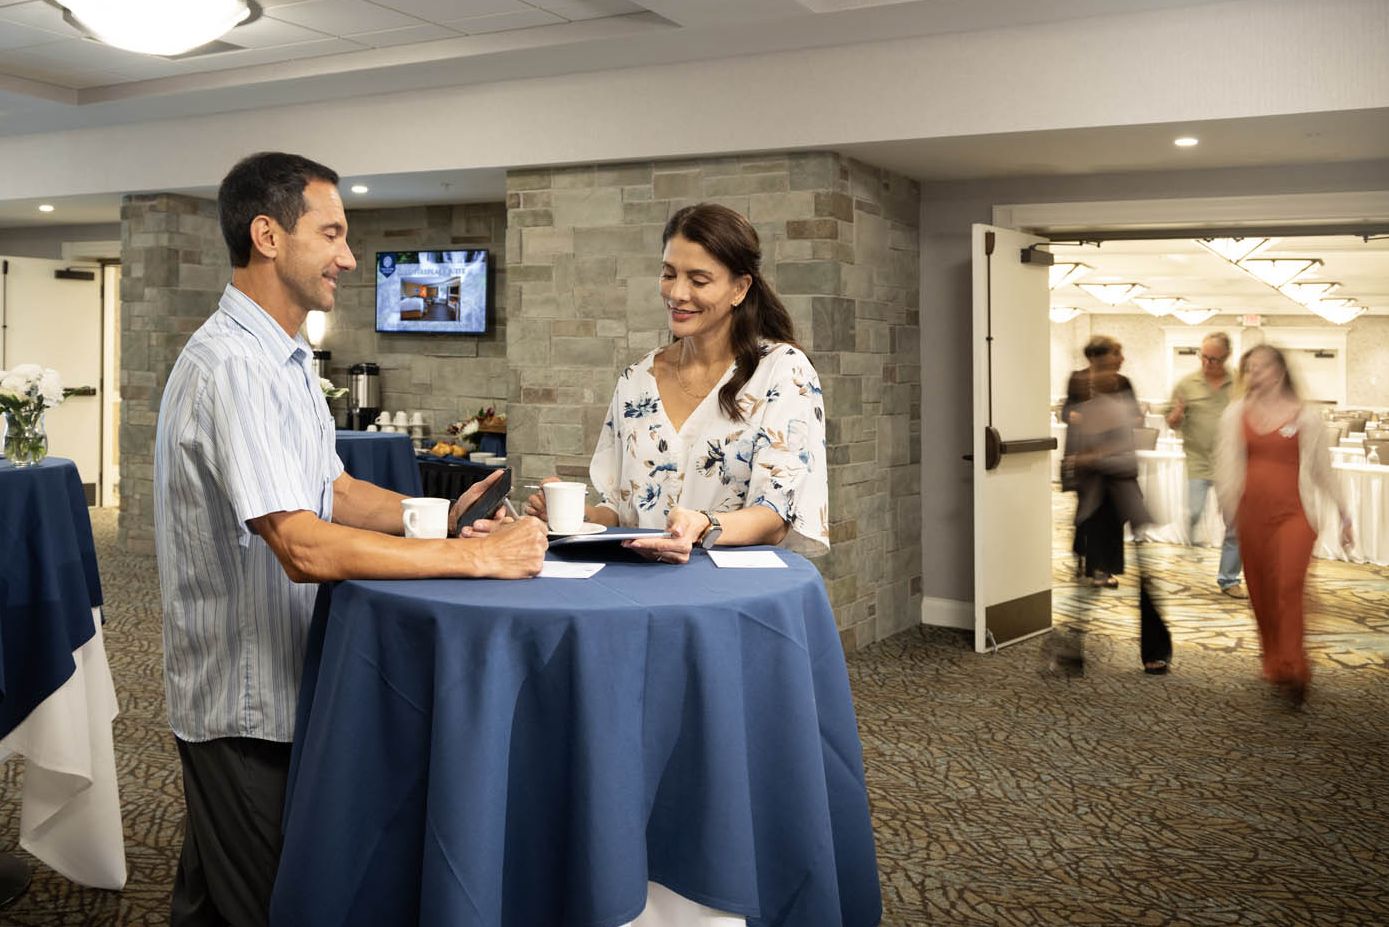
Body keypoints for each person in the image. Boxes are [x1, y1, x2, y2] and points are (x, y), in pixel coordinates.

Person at [154, 152, 547, 927]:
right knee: (270, 906)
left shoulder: (288, 357)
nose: (348, 255)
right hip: (244, 705)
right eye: (331, 233)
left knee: (215, 896)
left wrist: (430, 513)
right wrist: (476, 557)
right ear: (268, 235)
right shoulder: (232, 364)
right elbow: (303, 545)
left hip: (290, 687)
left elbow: (330, 488)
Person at [525, 202, 829, 564]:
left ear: (740, 288)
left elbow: (775, 517)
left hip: (730, 590)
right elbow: (621, 512)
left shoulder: (782, 372)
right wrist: (574, 518)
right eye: (669, 274)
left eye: (698, 280)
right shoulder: (636, 380)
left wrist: (703, 525)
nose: (677, 294)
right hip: (638, 587)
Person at [1215, 344, 1352, 707]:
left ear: (1278, 371)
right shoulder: (1235, 414)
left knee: (1289, 586)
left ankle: (1295, 666)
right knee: (1261, 590)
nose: (1253, 374)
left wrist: (1343, 511)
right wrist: (1225, 504)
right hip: (1251, 514)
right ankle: (1275, 661)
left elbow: (1323, 468)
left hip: (1296, 514)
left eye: (1259, 367)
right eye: (1248, 368)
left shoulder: (1306, 416)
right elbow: (1226, 462)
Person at [1068, 360, 1172, 674]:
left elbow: (1127, 460)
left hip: (1124, 502)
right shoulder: (1084, 409)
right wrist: (1092, 459)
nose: (1102, 376)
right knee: (1089, 584)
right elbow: (1072, 462)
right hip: (1096, 505)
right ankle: (1071, 649)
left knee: (1145, 582)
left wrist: (1096, 457)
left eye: (1110, 369)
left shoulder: (1122, 400)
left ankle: (1154, 650)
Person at [1167, 332, 1246, 598]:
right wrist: (1176, 415)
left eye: (1214, 359)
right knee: (1194, 510)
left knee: (1236, 524)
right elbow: (1172, 421)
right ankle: (1189, 546)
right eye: (1204, 357)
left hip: (1232, 464)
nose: (1208, 363)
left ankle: (1229, 579)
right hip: (1199, 461)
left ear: (1226, 357)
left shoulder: (1240, 383)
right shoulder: (1186, 384)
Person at [1063, 336, 1139, 587]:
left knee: (1112, 516)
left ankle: (1100, 564)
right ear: (1096, 357)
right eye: (1116, 353)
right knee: (1092, 514)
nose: (1121, 358)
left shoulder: (1123, 382)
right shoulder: (1079, 380)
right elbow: (1067, 412)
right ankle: (1094, 565)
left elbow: (1134, 415)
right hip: (1087, 461)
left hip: (1115, 461)